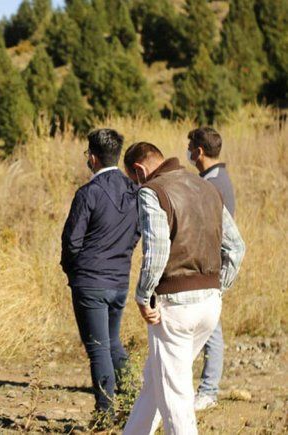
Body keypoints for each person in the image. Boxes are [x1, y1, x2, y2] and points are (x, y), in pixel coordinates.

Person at [122, 143, 245, 434]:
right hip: (209, 304)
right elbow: (237, 247)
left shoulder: (153, 191)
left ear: (139, 171)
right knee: (156, 382)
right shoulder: (206, 188)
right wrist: (217, 288)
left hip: (174, 307)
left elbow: (157, 251)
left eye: (133, 179)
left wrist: (143, 296)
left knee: (175, 399)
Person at [60, 129, 140, 426]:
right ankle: (135, 399)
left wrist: (73, 270)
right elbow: (137, 233)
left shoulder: (88, 193)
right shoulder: (134, 191)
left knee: (98, 348)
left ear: (92, 157)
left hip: (91, 281)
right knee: (112, 343)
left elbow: (71, 241)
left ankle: (105, 415)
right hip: (119, 280)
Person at [186, 127, 236, 411]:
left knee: (211, 331)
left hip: (209, 265)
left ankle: (208, 391)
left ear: (200, 151)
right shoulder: (213, 179)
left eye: (190, 146)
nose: (189, 151)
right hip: (209, 264)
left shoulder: (213, 184)